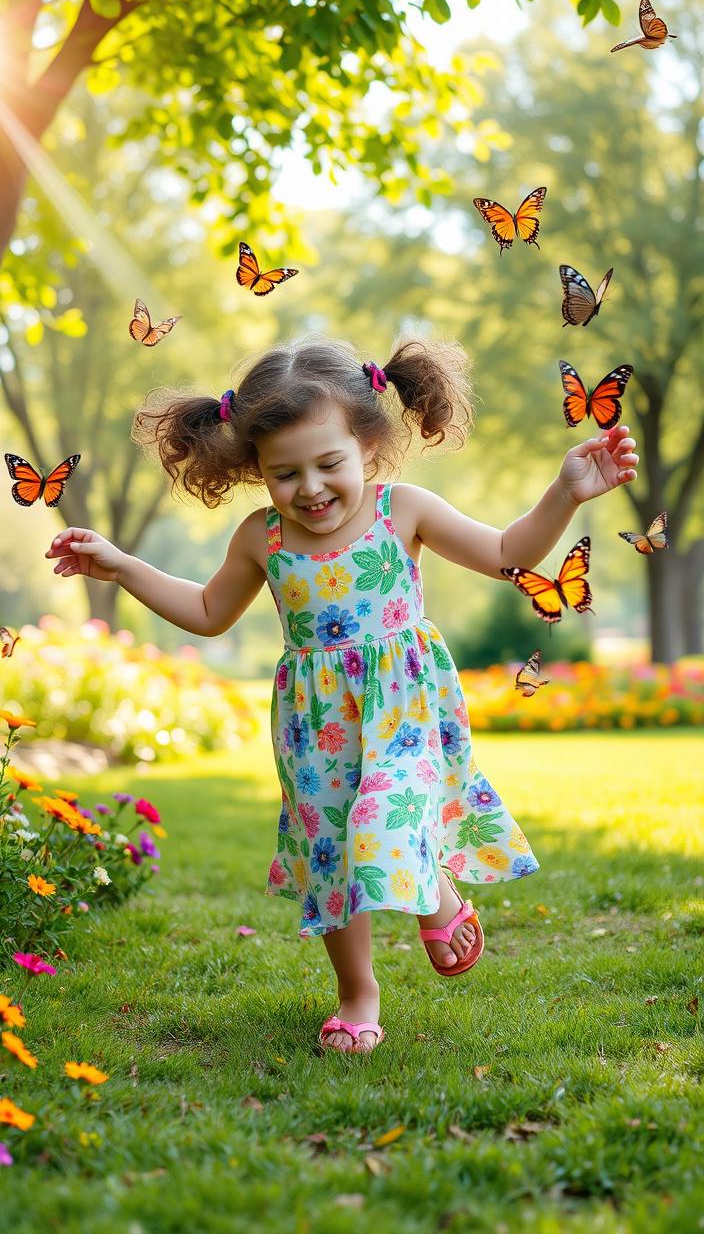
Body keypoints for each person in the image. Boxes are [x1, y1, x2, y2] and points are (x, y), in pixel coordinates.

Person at [45, 336, 639, 1054]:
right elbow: (207, 611)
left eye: (329, 464)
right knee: (330, 853)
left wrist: (565, 492)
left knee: (388, 812)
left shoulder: (403, 511)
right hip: (313, 725)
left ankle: (435, 894)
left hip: (403, 707)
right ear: (255, 469)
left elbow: (508, 553)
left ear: (367, 444)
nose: (312, 489)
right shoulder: (261, 539)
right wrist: (123, 568)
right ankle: (358, 993)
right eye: (284, 473)